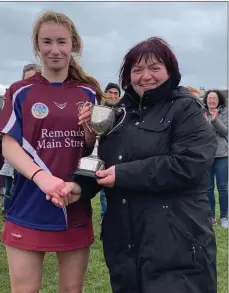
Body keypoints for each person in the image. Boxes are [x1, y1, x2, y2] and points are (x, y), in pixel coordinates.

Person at [53, 37, 218, 293]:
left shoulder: (187, 109)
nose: (146, 76)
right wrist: (80, 186)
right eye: (137, 69)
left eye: (155, 68)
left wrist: (124, 174)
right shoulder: (119, 113)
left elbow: (190, 164)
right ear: (127, 74)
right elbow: (105, 161)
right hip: (124, 244)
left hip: (175, 244)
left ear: (170, 71)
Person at [0, 11, 103, 293]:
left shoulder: (88, 93)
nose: (54, 50)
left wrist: (89, 131)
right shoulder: (20, 91)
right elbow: (9, 145)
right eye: (47, 42)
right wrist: (42, 178)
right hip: (28, 205)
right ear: (37, 45)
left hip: (73, 205)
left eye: (62, 42)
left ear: (74, 46)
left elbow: (92, 147)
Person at [0, 64, 41, 222]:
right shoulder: (14, 101)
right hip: (16, 159)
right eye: (28, 80)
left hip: (41, 162)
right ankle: (9, 214)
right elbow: (5, 135)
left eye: (36, 80)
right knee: (11, 188)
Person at [203, 90, 228, 228]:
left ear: (219, 100)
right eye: (210, 98)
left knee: (223, 188)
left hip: (222, 155)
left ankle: (224, 216)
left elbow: (225, 131)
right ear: (206, 100)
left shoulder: (225, 112)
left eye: (215, 98)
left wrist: (215, 119)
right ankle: (211, 216)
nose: (212, 100)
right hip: (207, 155)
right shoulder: (202, 113)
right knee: (208, 188)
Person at [100, 82, 121, 220]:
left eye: (116, 93)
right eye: (110, 92)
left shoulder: (123, 111)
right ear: (105, 93)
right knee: (103, 191)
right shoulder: (99, 110)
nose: (113, 96)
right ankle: (104, 217)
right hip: (103, 156)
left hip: (119, 157)